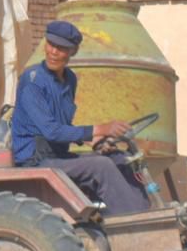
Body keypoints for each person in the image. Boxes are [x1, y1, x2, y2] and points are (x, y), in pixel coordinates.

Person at [9, 19, 150, 216]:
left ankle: (146, 216)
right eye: (50, 44)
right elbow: (51, 130)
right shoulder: (32, 80)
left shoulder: (70, 79)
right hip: (36, 161)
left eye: (61, 48)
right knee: (99, 167)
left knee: (120, 159)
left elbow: (63, 125)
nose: (53, 52)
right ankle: (136, 226)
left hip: (58, 156)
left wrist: (94, 139)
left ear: (72, 52)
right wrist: (100, 129)